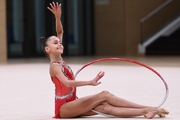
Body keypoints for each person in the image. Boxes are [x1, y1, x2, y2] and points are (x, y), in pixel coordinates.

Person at [39, 2, 169, 119]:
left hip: (73, 102)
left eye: (60, 42)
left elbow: (60, 31)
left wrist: (57, 17)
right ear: (47, 49)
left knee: (105, 107)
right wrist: (90, 82)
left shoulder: (60, 60)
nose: (60, 44)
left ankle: (147, 110)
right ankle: (147, 108)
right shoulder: (54, 66)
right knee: (104, 94)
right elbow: (67, 83)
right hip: (64, 108)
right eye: (56, 43)